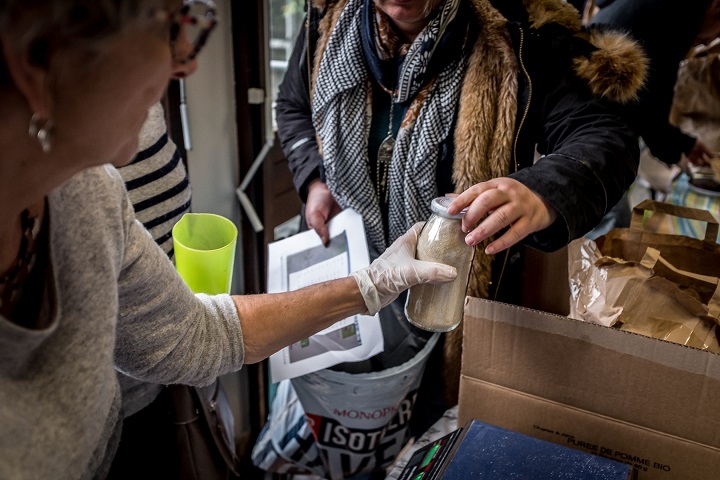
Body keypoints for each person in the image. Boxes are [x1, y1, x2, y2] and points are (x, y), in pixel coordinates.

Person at [0, 1, 458, 479]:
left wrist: (371, 284)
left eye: (195, 19)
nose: (187, 61)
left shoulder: (92, 193)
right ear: (37, 61)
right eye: (172, 25)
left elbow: (189, 334)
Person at [276, 0, 645, 431]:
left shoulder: (520, 33)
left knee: (436, 422)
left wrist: (541, 190)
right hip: (356, 269)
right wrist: (315, 181)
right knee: (357, 422)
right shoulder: (326, 19)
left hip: (462, 292)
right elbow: (293, 107)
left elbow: (604, 135)